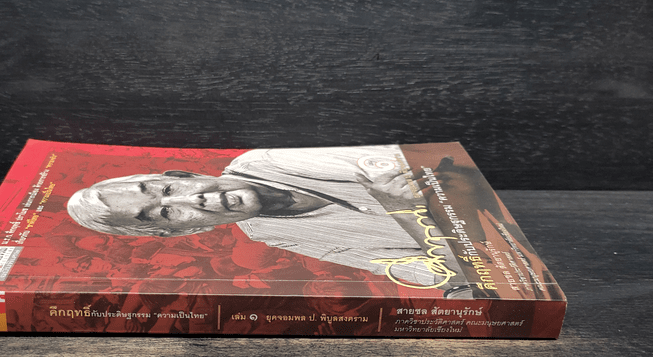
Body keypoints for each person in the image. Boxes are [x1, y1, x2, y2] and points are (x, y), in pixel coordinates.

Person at [67, 146, 468, 289]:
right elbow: (449, 276)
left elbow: (440, 164)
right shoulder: (269, 236)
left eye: (169, 190)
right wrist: (404, 211)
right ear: (181, 232)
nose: (197, 199)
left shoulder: (267, 161)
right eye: (168, 212)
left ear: (183, 174)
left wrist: (431, 234)